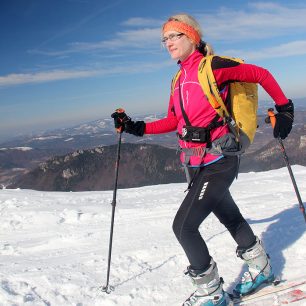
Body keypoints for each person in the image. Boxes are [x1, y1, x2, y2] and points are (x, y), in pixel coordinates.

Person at [111, 13, 294, 306]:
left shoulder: (213, 67)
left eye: (175, 36)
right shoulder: (178, 78)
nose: (168, 42)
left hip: (220, 160)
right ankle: (261, 268)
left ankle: (211, 294)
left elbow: (260, 74)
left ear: (191, 36)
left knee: (183, 227)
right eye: (165, 38)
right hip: (196, 165)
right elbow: (173, 120)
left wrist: (285, 108)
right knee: (229, 216)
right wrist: (136, 127)